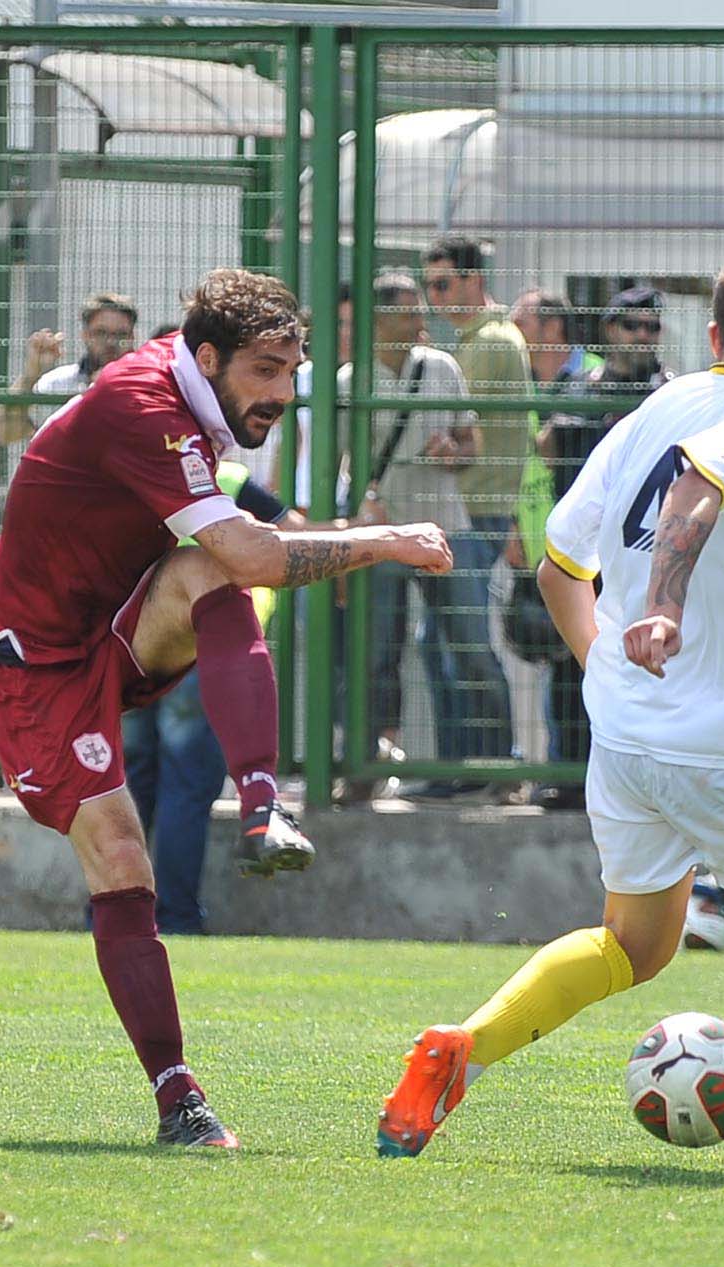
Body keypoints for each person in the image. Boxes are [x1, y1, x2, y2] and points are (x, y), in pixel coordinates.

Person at [378, 248, 724, 1168]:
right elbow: (700, 487)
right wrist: (664, 604)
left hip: (630, 740)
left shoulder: (648, 411)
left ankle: (465, 1047)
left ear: (714, 334)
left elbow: (557, 563)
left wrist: (605, 669)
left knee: (634, 942)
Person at [0, 269, 452, 1149]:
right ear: (207, 357)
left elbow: (235, 533)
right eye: (266, 371)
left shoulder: (195, 405)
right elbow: (257, 555)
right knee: (121, 854)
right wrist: (383, 541)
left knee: (209, 571)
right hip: (37, 659)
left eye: (293, 372)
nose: (283, 394)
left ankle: (262, 809)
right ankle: (176, 1095)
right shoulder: (144, 404)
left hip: (116, 623)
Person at [121, 460, 308, 937]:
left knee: (127, 789)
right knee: (185, 788)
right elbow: (292, 533)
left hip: (132, 647)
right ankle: (177, 917)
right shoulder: (224, 478)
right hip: (201, 646)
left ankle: (117, 915)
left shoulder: (123, 469)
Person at [531, 285, 678, 810]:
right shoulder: (579, 385)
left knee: (647, 663)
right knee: (573, 664)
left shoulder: (670, 392)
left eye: (651, 327)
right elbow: (550, 450)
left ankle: (640, 782)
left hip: (644, 553)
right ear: (608, 331)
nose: (642, 336)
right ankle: (569, 773)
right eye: (631, 325)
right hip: (583, 552)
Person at [342, 272, 481, 771]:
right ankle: (372, 761)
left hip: (446, 529)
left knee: (471, 649)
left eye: (420, 311)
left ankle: (492, 766)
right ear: (379, 320)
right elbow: (333, 464)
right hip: (384, 536)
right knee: (378, 655)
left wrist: (454, 450)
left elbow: (472, 443)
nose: (422, 321)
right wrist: (362, 501)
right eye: (409, 313)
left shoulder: (441, 367)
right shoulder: (349, 380)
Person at [417, 235, 526, 793]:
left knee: (460, 640)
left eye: (441, 284)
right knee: (440, 641)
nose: (433, 298)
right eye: (428, 287)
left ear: (472, 279)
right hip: (463, 513)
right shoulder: (472, 341)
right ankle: (462, 767)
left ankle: (494, 764)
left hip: (474, 514)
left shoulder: (487, 343)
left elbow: (449, 429)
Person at [0, 292, 139, 441]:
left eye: (121, 334)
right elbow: (5, 434)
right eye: (101, 333)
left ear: (132, 337)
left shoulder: (148, 385)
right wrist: (31, 374)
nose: (111, 342)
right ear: (85, 335)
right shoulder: (59, 382)